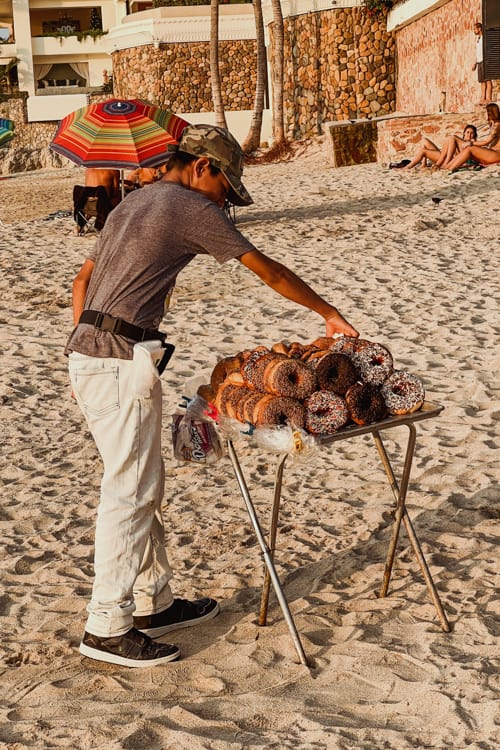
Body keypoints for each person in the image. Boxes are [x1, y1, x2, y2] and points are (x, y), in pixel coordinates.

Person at [66, 124, 359, 668]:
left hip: (92, 354)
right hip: (118, 361)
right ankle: (106, 625)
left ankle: (154, 601)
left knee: (139, 482)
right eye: (227, 186)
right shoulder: (190, 206)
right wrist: (326, 314)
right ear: (202, 167)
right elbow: (266, 270)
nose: (227, 200)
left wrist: (94, 334)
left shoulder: (134, 202)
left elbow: (83, 280)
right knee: (129, 491)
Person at [401, 124, 479, 171]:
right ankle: (423, 164)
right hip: (442, 155)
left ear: (474, 135)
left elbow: (468, 160)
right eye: (467, 132)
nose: (469, 134)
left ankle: (407, 167)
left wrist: (473, 142)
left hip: (446, 160)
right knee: (424, 140)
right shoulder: (459, 141)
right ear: (464, 133)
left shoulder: (470, 145)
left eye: (472, 133)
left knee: (423, 151)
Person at [448, 103, 500, 171]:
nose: (484, 114)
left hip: (496, 154)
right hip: (492, 152)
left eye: (486, 112)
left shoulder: (497, 125)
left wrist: (471, 143)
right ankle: (447, 166)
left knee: (470, 149)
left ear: (490, 113)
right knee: (466, 147)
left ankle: (450, 168)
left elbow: (487, 142)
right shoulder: (493, 124)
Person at [473, 22, 492, 106]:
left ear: (479, 29)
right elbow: (477, 52)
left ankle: (488, 98)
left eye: (475, 29)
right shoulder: (478, 39)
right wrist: (475, 63)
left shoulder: (485, 38)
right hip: (479, 61)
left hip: (485, 61)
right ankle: (483, 98)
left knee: (487, 79)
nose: (474, 30)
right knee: (482, 81)